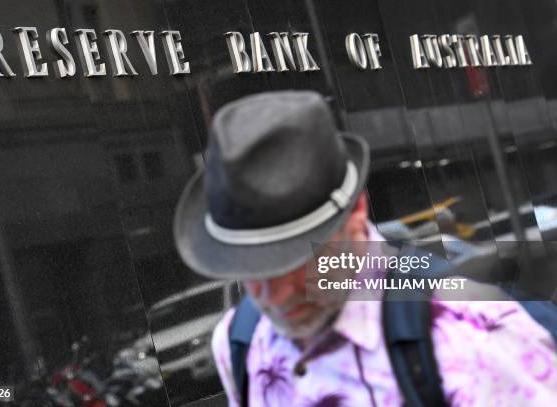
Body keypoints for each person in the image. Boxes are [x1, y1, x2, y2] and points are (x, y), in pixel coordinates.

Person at [173, 91, 557, 406]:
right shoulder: (237, 340)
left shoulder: (470, 338)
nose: (272, 295)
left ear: (356, 209)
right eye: (249, 268)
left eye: (295, 262)